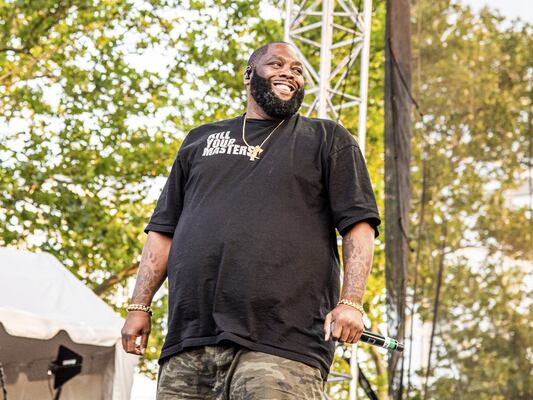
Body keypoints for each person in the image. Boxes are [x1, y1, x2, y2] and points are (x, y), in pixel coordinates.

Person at [121, 41, 381, 399]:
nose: (289, 72)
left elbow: (359, 226)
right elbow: (163, 232)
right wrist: (139, 306)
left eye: (297, 69)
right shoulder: (199, 140)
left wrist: (350, 302)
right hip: (190, 339)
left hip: (282, 342)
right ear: (249, 76)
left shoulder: (327, 138)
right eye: (276, 64)